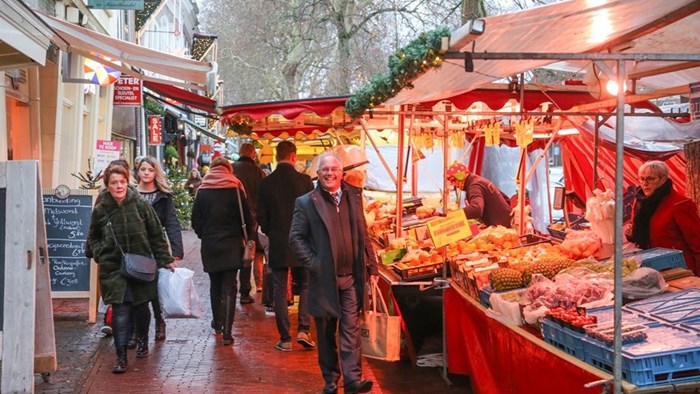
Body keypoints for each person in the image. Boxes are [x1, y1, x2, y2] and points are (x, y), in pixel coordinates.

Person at [289, 152, 379, 394]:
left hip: (351, 277)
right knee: (327, 332)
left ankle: (352, 380)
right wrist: (315, 264)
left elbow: (363, 233)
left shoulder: (353, 196)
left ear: (342, 173)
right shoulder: (306, 202)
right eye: (325, 170)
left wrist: (372, 264)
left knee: (350, 329)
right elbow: (296, 238)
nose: (330, 173)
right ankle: (330, 380)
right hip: (324, 279)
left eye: (334, 169)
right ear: (318, 174)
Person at [88, 164, 176, 374]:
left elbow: (156, 233)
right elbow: (93, 237)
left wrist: (166, 259)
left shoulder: (139, 204)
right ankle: (120, 357)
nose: (118, 186)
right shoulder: (101, 209)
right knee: (120, 309)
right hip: (113, 267)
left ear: (128, 182)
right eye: (114, 183)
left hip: (141, 265)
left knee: (140, 307)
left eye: (122, 182)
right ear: (107, 186)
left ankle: (143, 341)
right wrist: (101, 252)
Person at [256, 141, 315, 351]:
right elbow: (312, 213)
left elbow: (260, 214)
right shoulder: (305, 181)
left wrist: (271, 230)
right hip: (302, 242)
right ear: (293, 156)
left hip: (279, 241)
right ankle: (304, 330)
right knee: (306, 285)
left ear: (275, 156)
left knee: (280, 290)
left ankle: (285, 338)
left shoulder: (265, 184)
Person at [191, 157, 254, 346]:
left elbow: (196, 221)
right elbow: (248, 217)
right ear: (228, 169)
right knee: (229, 286)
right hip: (233, 244)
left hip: (210, 245)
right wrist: (248, 237)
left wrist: (205, 235)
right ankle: (227, 331)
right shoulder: (235, 187)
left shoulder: (202, 190)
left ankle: (217, 323)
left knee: (214, 285)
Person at [136, 156, 184, 341]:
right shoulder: (131, 193)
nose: (146, 173)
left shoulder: (164, 196)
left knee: (156, 287)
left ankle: (159, 322)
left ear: (156, 172)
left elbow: (172, 224)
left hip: (156, 247)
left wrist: (176, 252)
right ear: (138, 172)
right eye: (143, 169)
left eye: (150, 169)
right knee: (136, 288)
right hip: (135, 247)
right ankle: (136, 329)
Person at [626, 160, 700, 275]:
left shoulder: (680, 204)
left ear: (663, 179)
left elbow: (697, 242)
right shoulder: (640, 201)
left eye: (650, 179)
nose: (645, 183)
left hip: (678, 268)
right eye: (641, 179)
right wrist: (631, 233)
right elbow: (640, 232)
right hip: (650, 265)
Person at [232, 142, 266, 303]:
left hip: (232, 217)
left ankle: (233, 285)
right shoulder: (257, 171)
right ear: (253, 154)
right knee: (249, 252)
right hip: (252, 218)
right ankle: (245, 291)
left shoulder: (231, 168)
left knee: (234, 251)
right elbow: (262, 195)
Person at [446, 161, 512, 227]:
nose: (454, 185)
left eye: (454, 180)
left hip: (504, 228)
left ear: (460, 176)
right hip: (508, 223)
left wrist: (455, 214)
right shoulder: (479, 181)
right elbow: (506, 199)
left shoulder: (474, 186)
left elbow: (477, 209)